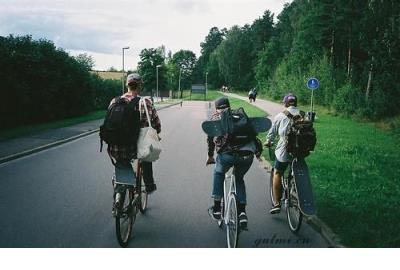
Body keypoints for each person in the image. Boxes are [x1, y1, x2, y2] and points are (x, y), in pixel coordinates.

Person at [206, 97, 262, 229]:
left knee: (219, 172)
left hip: (228, 155)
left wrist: (210, 156)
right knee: (239, 178)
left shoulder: (216, 118)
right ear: (229, 106)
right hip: (247, 155)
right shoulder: (241, 115)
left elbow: (210, 140)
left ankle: (217, 208)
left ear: (217, 108)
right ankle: (242, 212)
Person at [108, 73, 161, 213]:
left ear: (127, 85)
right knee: (146, 156)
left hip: (117, 146)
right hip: (137, 146)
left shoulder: (115, 101)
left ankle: (119, 198)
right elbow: (156, 124)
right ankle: (149, 186)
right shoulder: (145, 102)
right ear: (140, 85)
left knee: (122, 168)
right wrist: (157, 133)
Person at [265, 93, 301, 214]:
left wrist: (269, 142)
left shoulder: (280, 116)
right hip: (300, 151)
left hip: (284, 150)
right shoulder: (303, 115)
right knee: (296, 170)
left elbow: (272, 133)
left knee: (278, 172)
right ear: (296, 103)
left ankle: (277, 203)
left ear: (285, 103)